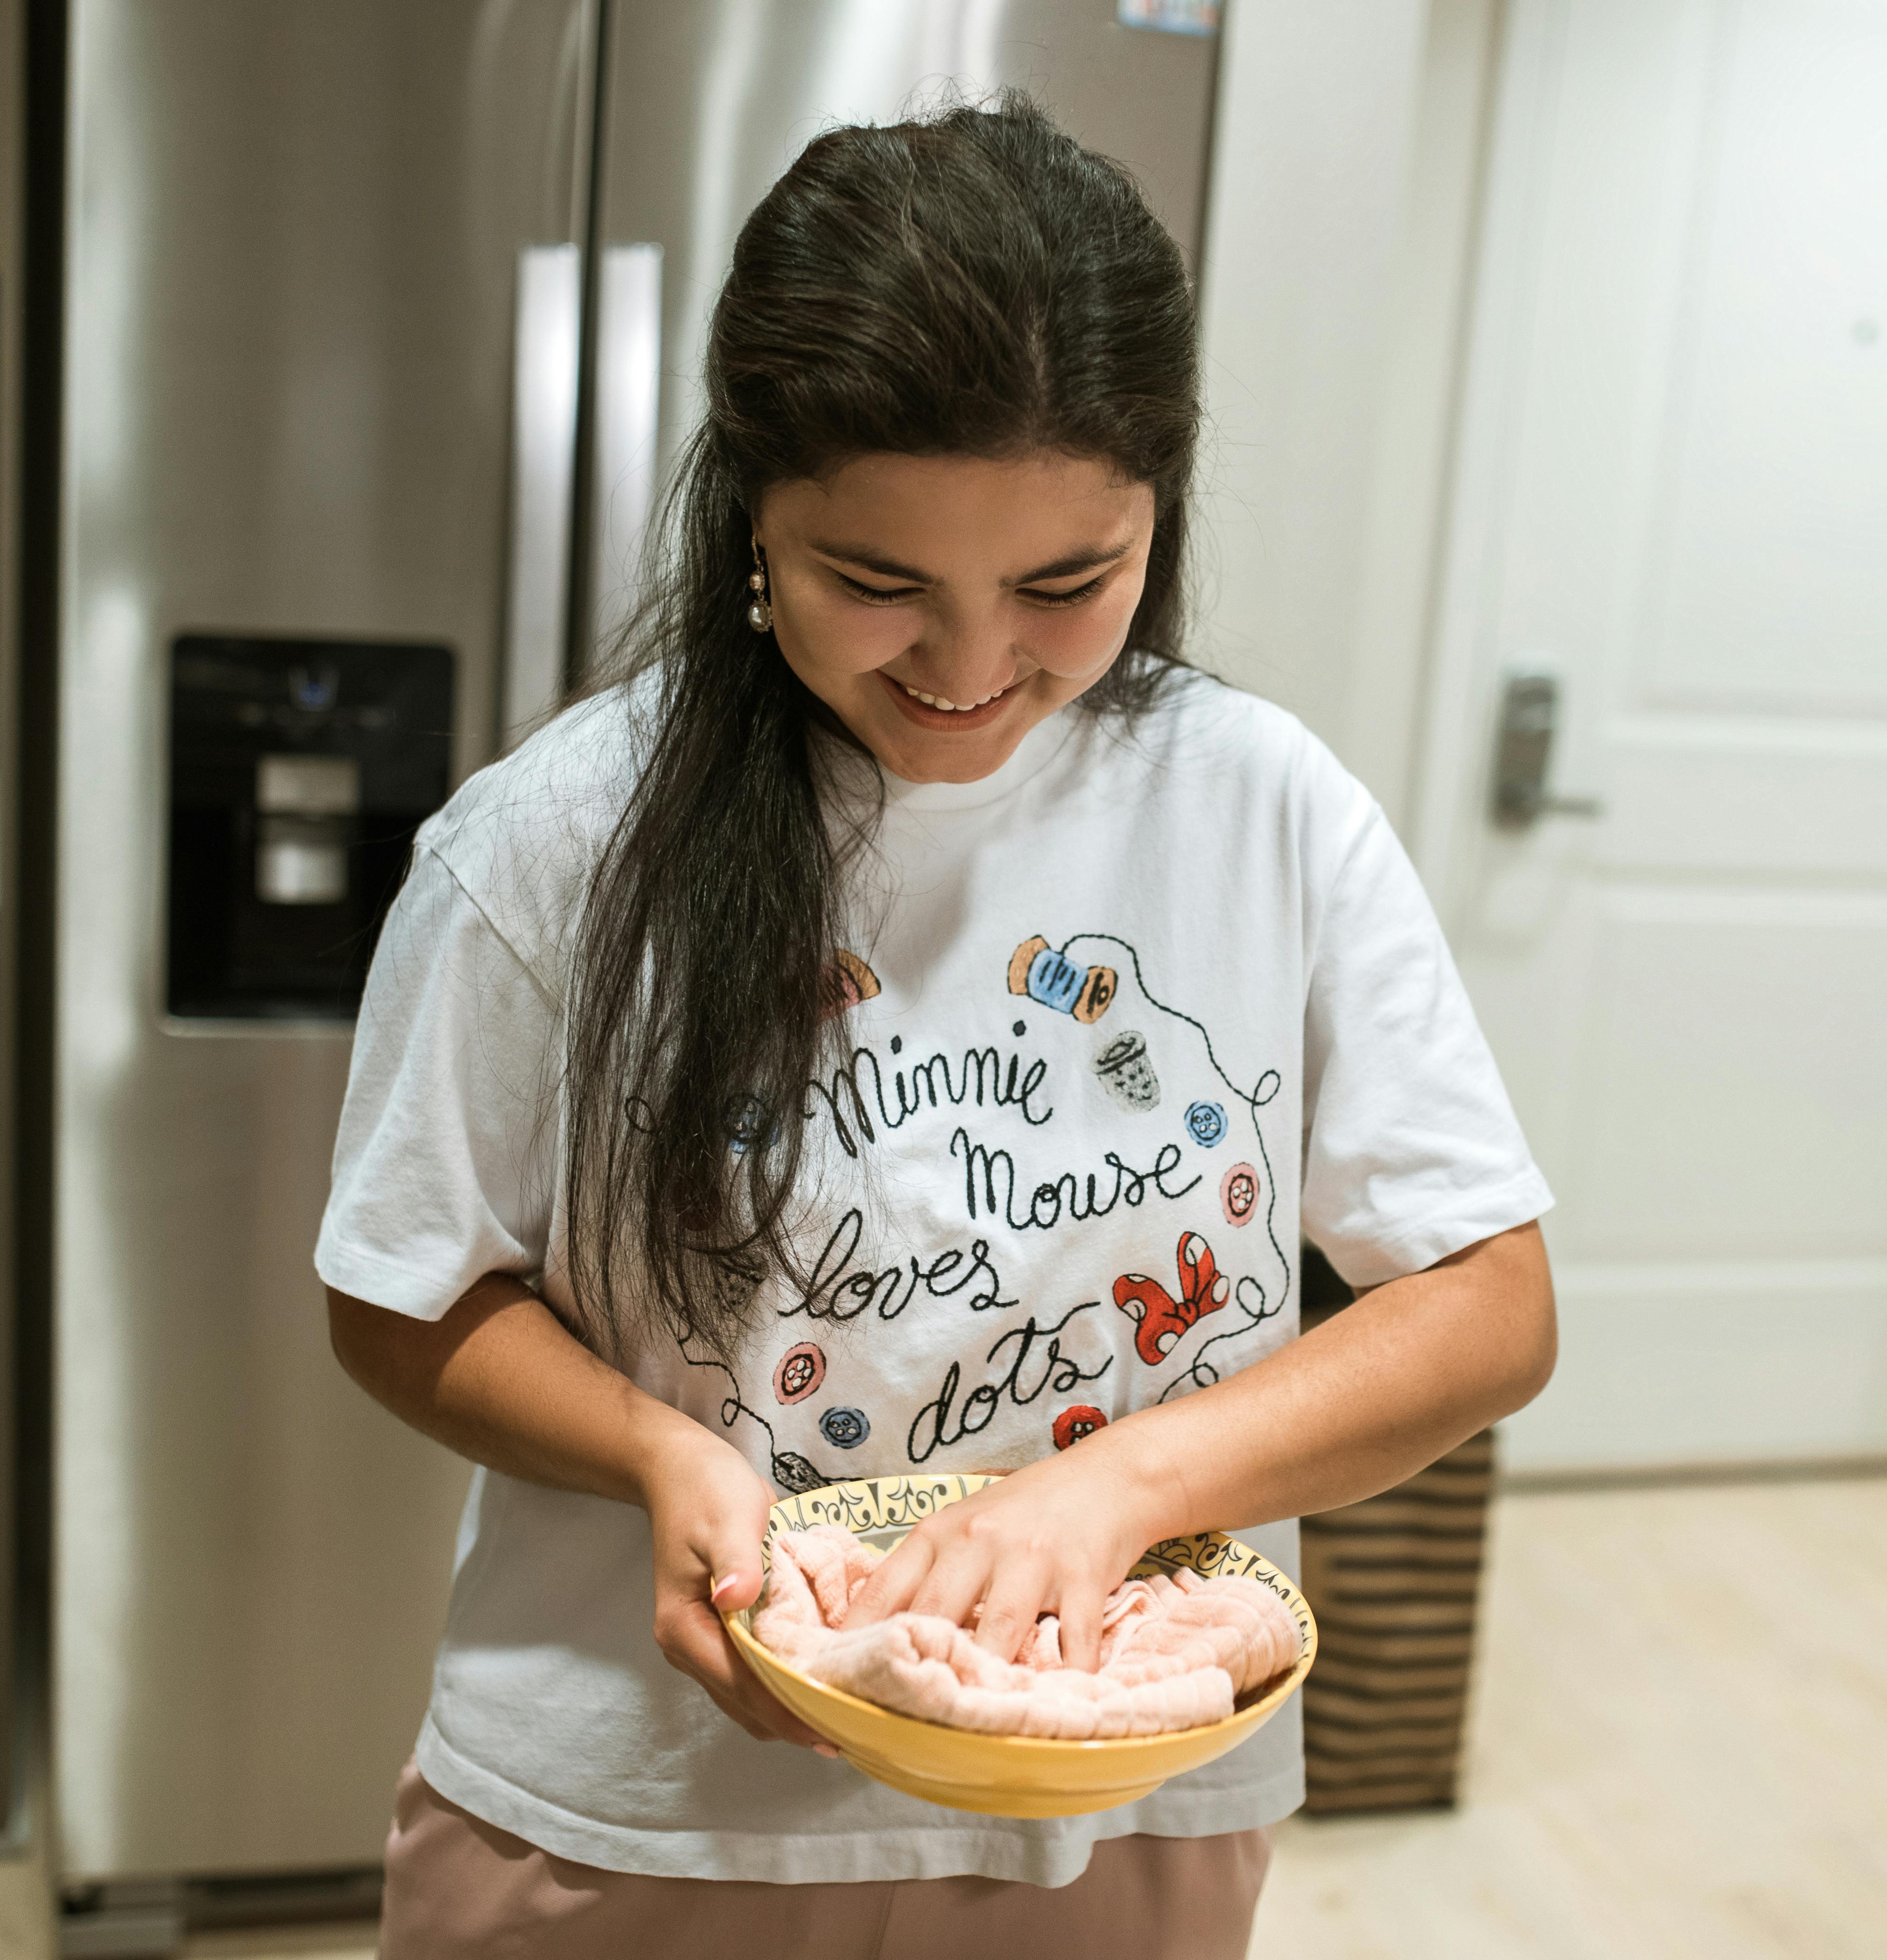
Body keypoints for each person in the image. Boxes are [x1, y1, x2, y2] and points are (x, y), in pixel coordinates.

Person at [318, 93, 1557, 1959]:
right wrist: (661, 1452)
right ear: (752, 515)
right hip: (642, 1821)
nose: (970, 670)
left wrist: (1123, 1482)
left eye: (1066, 584)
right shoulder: (549, 846)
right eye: (872, 582)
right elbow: (399, 1293)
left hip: (1113, 1804)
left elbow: (1485, 1302)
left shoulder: (1261, 812)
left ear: (1160, 507)